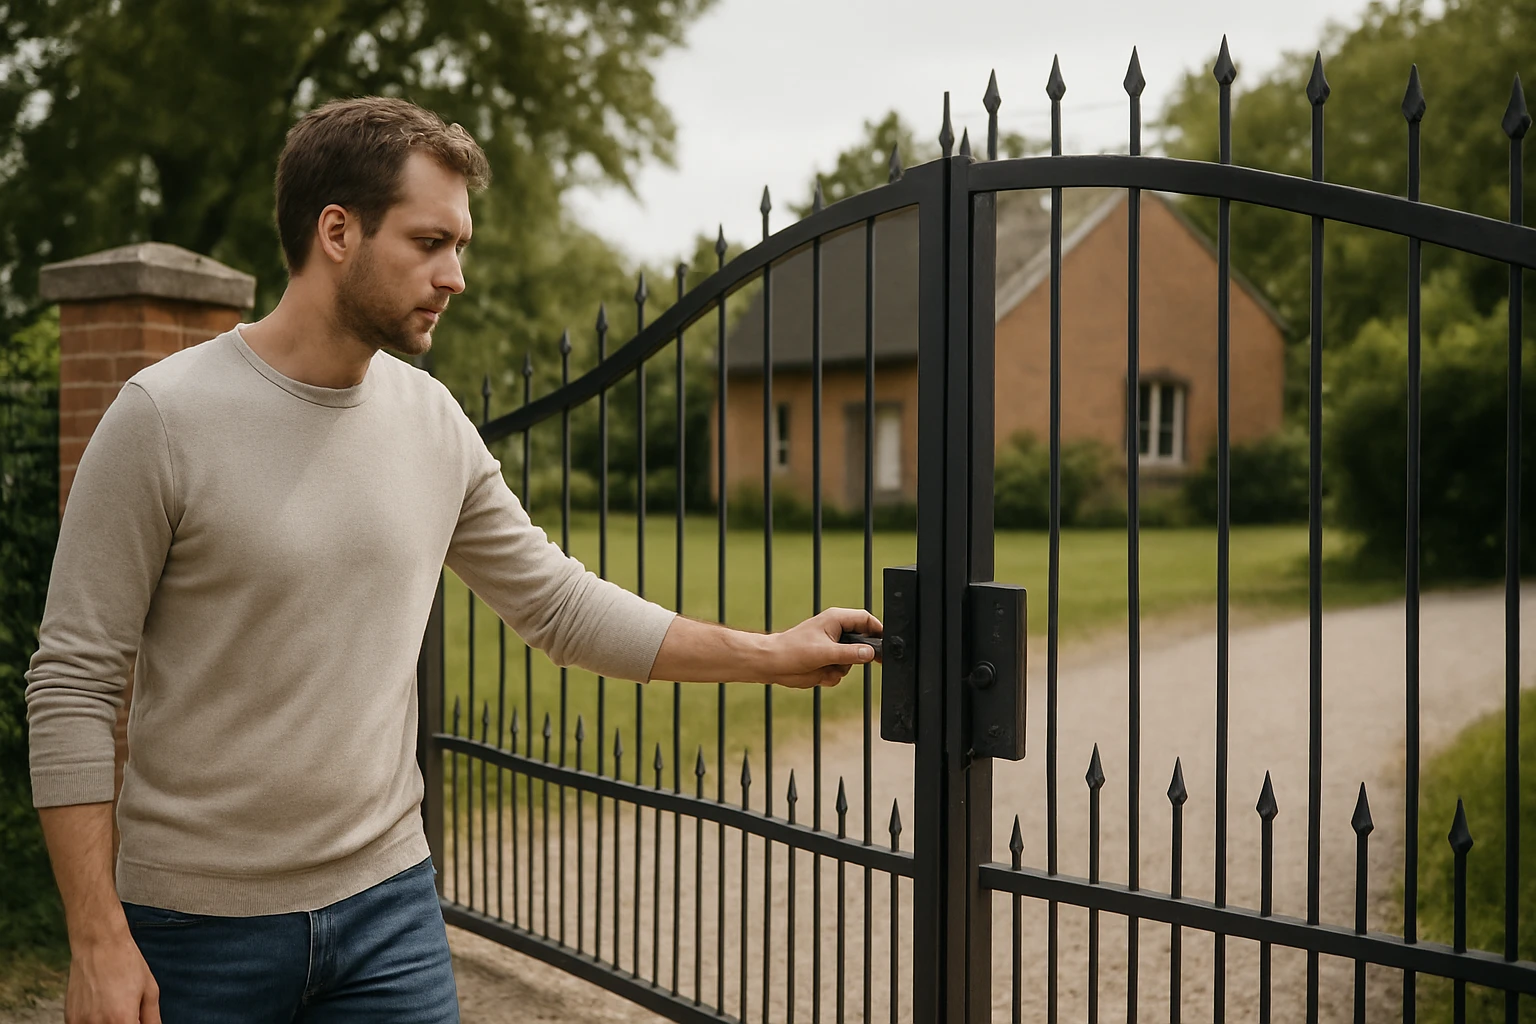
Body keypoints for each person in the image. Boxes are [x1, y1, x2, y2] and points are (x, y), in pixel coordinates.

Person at [25, 96, 881, 1024]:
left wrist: (772, 654)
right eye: (431, 242)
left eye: (460, 245)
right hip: (196, 930)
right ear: (338, 231)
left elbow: (559, 605)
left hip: (389, 913)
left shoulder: (431, 421)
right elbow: (73, 679)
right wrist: (96, 936)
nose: (456, 276)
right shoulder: (162, 417)